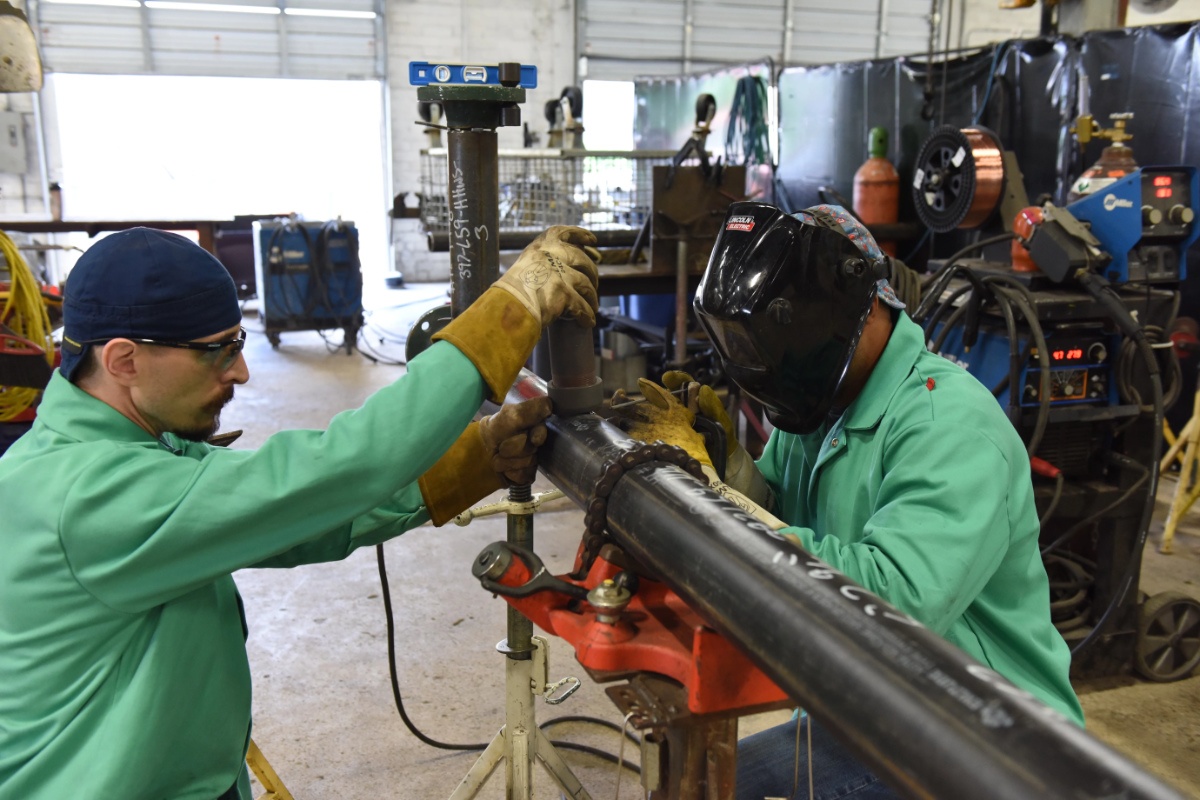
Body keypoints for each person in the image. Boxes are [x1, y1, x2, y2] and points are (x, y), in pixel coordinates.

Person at [0, 225, 600, 799]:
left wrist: (474, 461)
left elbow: (287, 522)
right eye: (218, 351)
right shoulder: (85, 497)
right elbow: (341, 467)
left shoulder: (123, 448)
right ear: (124, 361)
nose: (240, 370)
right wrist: (509, 310)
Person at [618, 203, 1084, 799]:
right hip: (869, 701)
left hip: (980, 738)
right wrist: (724, 467)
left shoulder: (949, 425)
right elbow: (780, 509)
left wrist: (721, 523)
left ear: (863, 313)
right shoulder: (819, 402)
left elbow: (895, 601)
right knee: (698, 783)